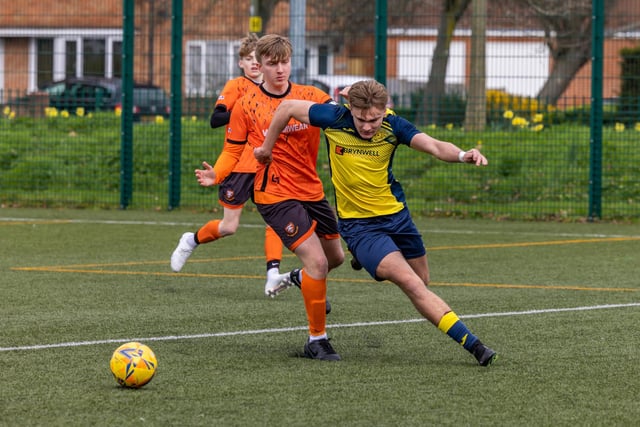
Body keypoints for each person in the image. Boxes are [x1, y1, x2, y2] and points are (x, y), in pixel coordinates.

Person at [254, 79, 497, 366]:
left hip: (397, 217)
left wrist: (461, 155)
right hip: (360, 227)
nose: (368, 126)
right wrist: (266, 148)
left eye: (375, 120)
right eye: (361, 119)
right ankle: (475, 346)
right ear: (349, 109)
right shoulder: (334, 118)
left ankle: (337, 269)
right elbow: (287, 107)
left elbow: (432, 145)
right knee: (411, 284)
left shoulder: (394, 126)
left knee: (422, 281)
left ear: (386, 110)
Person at [194, 34, 345, 361]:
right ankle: (316, 339)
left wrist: (350, 101)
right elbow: (233, 149)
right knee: (317, 262)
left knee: (335, 259)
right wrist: (216, 174)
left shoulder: (309, 95)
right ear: (258, 66)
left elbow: (340, 115)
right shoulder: (247, 104)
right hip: (273, 193)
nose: (280, 69)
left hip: (311, 190)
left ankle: (296, 278)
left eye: (285, 62)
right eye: (272, 64)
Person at [171, 33, 288, 297]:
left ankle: (272, 275)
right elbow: (215, 119)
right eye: (248, 59)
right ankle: (191, 240)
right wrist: (244, 112)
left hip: (268, 166)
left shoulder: (277, 89)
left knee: (277, 221)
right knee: (229, 227)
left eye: (257, 59)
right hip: (238, 166)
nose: (254, 64)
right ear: (242, 63)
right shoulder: (237, 86)